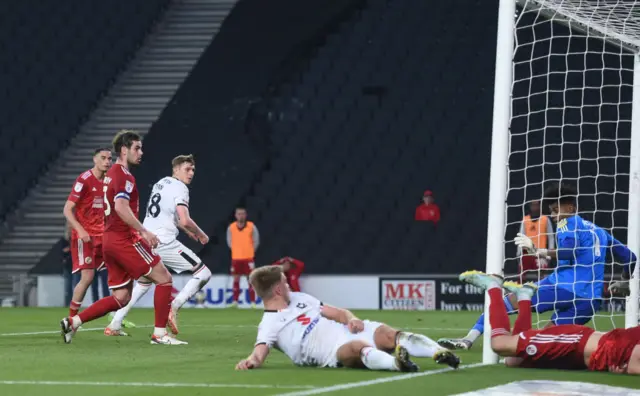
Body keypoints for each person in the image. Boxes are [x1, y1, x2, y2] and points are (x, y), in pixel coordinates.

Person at [438, 182, 636, 351]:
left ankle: (467, 340)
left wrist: (537, 251)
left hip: (563, 287)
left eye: (558, 210)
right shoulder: (600, 232)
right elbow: (631, 258)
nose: (554, 215)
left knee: (505, 303)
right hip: (590, 302)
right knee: (540, 342)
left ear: (572, 208)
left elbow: (568, 252)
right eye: (552, 211)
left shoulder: (567, 224)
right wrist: (625, 281)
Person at [60, 129, 186, 345]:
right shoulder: (123, 175)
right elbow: (120, 206)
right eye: (137, 148)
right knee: (164, 278)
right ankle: (159, 334)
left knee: (121, 298)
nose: (141, 153)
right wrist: (143, 231)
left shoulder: (110, 176)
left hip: (109, 240)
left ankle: (74, 322)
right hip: (123, 240)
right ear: (124, 150)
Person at [235, 266, 460, 372]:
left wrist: (352, 318)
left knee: (389, 334)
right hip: (333, 352)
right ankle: (397, 364)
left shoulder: (299, 297)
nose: (288, 284)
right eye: (284, 282)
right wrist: (251, 362)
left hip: (349, 331)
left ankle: (438, 352)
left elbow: (338, 313)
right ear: (276, 291)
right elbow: (259, 352)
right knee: (356, 348)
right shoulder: (269, 324)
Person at [106, 154, 210, 336]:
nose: (191, 173)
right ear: (176, 169)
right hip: (164, 241)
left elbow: (169, 215)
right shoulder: (181, 188)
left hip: (146, 239)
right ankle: (175, 307)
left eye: (193, 169)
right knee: (203, 273)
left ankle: (115, 323)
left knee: (144, 283)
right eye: (187, 169)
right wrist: (201, 234)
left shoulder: (161, 183)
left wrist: (188, 232)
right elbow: (184, 219)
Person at [459, 270, 640, 374]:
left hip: (581, 355)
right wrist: (625, 367)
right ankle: (493, 287)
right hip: (574, 343)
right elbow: (634, 363)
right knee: (500, 344)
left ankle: (524, 297)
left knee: (513, 360)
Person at [62, 147, 112, 317]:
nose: (107, 161)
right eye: (103, 158)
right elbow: (67, 209)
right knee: (87, 278)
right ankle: (71, 318)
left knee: (118, 272)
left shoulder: (108, 182)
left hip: (103, 237)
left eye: (109, 158)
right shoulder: (84, 180)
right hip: (86, 237)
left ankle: (116, 317)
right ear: (95, 160)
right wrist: (80, 230)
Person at [227, 207, 259, 307]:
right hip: (236, 258)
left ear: (246, 215)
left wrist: (250, 251)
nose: (241, 216)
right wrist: (236, 250)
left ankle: (253, 302)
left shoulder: (251, 226)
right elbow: (229, 241)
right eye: (239, 214)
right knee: (236, 279)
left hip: (248, 258)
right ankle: (235, 301)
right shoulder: (231, 227)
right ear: (236, 215)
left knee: (250, 280)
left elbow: (256, 241)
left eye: (243, 214)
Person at [517, 199, 554, 284]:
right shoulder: (525, 220)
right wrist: (519, 253)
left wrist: (550, 253)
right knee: (521, 272)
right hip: (527, 253)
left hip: (541, 254)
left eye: (537, 205)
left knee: (541, 274)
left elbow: (551, 237)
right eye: (533, 205)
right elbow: (520, 237)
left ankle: (541, 291)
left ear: (540, 206)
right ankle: (520, 291)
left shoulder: (545, 219)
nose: (535, 207)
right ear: (530, 207)